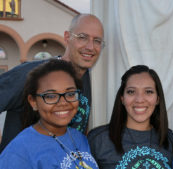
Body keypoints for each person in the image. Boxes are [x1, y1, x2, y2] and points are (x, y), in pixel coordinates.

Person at [0, 14, 104, 152]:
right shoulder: (32, 74)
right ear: (67, 37)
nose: (90, 47)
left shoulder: (90, 81)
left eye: (97, 40)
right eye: (82, 37)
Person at [0, 59, 99, 168]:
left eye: (70, 94)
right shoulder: (19, 152)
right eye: (51, 96)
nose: (63, 102)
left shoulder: (79, 138)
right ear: (33, 102)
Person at [88, 65, 173, 168]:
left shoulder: (168, 138)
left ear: (157, 99)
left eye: (148, 92)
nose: (139, 99)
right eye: (131, 92)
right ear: (122, 98)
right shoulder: (98, 139)